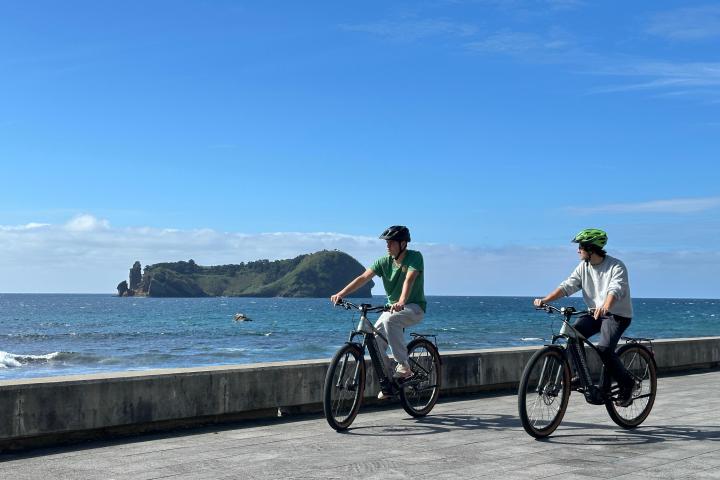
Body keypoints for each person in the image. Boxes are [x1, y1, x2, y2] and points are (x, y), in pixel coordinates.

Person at [533, 228, 636, 407]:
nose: (577, 250)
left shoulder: (616, 266)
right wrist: (545, 300)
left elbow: (616, 288)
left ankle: (627, 385)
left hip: (617, 315)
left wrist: (606, 305)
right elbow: (568, 285)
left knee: (604, 349)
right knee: (573, 335)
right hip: (595, 313)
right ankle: (581, 376)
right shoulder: (584, 267)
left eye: (580, 247)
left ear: (591, 248)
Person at [330, 225, 426, 399]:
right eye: (386, 243)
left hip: (414, 307)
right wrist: (341, 293)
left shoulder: (414, 257)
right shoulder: (384, 261)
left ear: (403, 244)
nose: (387, 246)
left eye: (391, 243)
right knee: (375, 342)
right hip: (392, 308)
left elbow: (409, 280)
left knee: (390, 321)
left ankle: (404, 365)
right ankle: (390, 381)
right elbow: (363, 278)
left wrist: (402, 301)